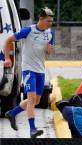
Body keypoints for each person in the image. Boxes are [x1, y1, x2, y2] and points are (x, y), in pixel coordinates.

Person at [4, 7, 55, 138]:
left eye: (51, 21)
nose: (50, 23)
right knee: (31, 100)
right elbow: (8, 40)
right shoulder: (28, 31)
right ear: (41, 19)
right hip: (28, 70)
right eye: (48, 21)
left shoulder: (50, 33)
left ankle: (12, 113)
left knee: (36, 101)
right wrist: (7, 58)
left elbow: (49, 52)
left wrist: (50, 48)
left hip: (40, 71)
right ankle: (32, 129)